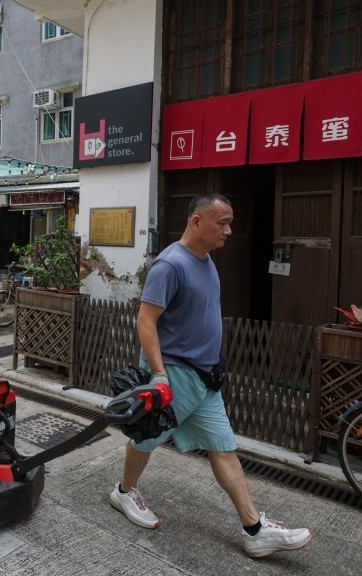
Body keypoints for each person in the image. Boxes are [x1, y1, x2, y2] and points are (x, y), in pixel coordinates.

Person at [109, 193, 312, 559]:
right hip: (176, 373)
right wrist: (158, 376)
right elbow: (145, 320)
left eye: (230, 222)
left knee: (223, 446)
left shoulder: (205, 261)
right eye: (223, 222)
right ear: (197, 222)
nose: (229, 231)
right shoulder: (170, 265)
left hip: (206, 378)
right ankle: (124, 493)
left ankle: (254, 530)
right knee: (147, 438)